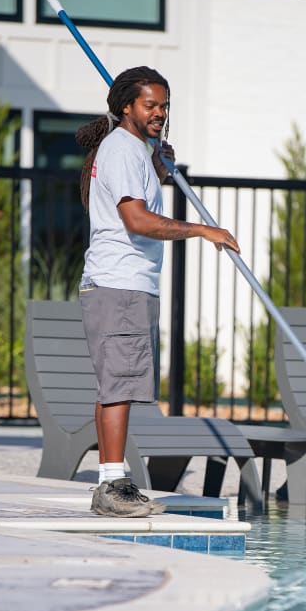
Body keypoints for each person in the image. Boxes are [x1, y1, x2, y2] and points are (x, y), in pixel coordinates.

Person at [75, 66, 240, 517]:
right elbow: (137, 220)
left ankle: (113, 483)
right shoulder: (122, 150)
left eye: (164, 105)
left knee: (120, 384)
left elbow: (126, 202)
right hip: (118, 284)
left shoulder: (133, 152)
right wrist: (204, 230)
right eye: (151, 104)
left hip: (129, 285)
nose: (160, 113)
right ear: (126, 105)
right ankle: (111, 487)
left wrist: (157, 168)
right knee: (118, 387)